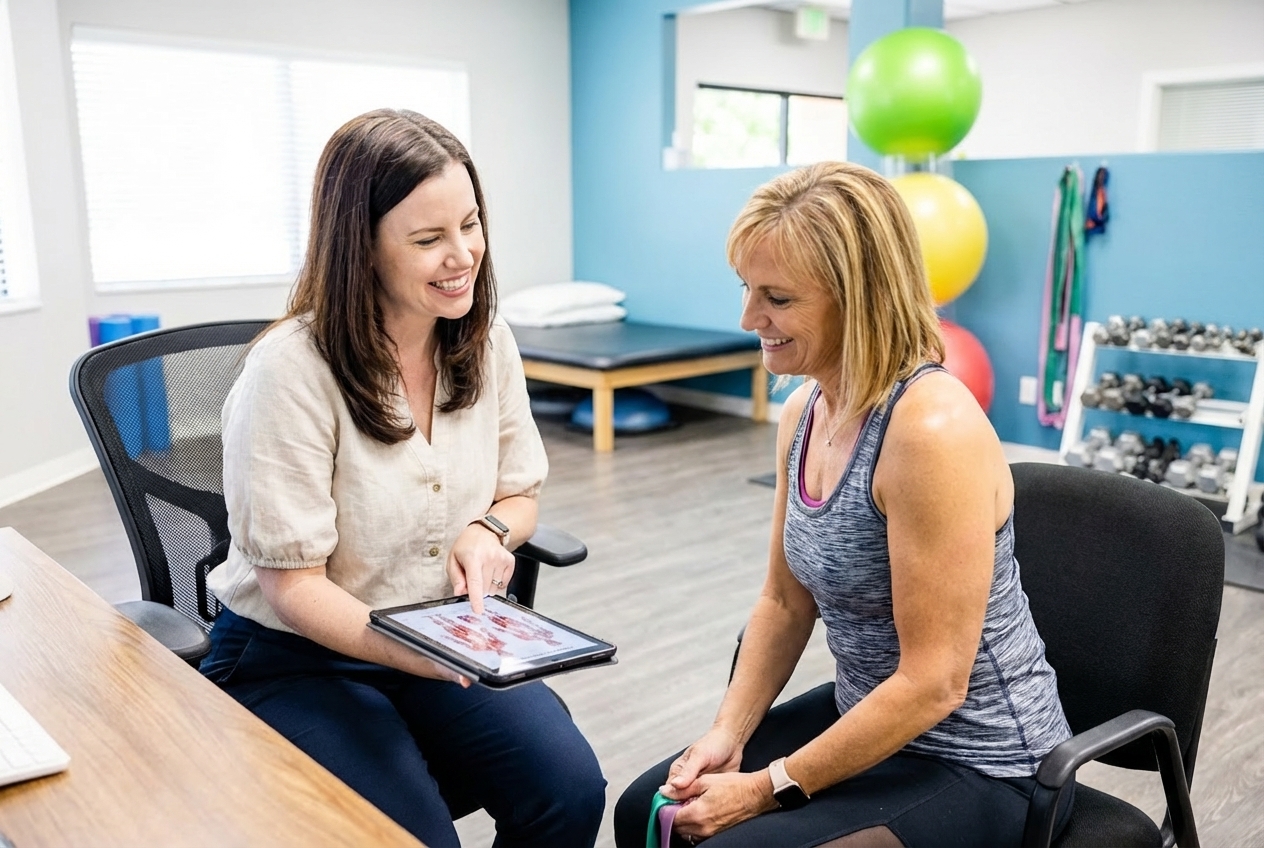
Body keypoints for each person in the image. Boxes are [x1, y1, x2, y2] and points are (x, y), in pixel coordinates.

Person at [614, 161, 1075, 848]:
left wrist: (765, 789)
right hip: (869, 720)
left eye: (778, 297)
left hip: (990, 766)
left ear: (858, 296)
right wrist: (727, 734)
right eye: (746, 288)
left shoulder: (930, 432)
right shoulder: (804, 411)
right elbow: (782, 602)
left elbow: (932, 683)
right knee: (646, 811)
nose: (749, 318)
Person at [199, 109, 605, 848]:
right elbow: (293, 586)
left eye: (470, 225)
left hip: (437, 631)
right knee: (414, 839)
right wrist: (425, 653)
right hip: (295, 657)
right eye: (428, 240)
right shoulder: (290, 372)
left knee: (570, 790)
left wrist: (488, 531)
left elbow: (521, 494)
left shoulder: (486, 343)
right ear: (363, 249)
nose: (464, 255)